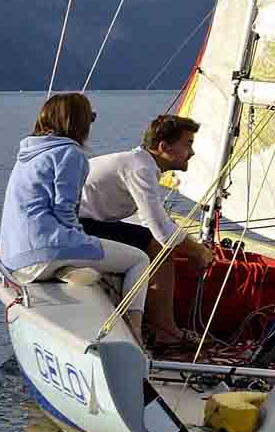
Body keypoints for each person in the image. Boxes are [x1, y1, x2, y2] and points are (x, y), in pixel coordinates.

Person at [79, 112, 202, 355]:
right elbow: (163, 233)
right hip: (78, 226)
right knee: (159, 248)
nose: (193, 152)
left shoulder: (139, 164)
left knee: (151, 242)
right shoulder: (140, 168)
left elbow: (155, 222)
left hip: (83, 223)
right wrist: (198, 251)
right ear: (164, 146)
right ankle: (166, 332)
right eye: (188, 144)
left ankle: (158, 326)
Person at [0, 93, 143, 282]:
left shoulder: (27, 155)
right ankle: (133, 313)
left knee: (83, 249)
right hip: (46, 250)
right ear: (78, 122)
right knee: (139, 259)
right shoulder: (71, 153)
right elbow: (64, 210)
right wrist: (83, 241)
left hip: (14, 257)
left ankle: (65, 269)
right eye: (90, 117)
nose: (91, 123)